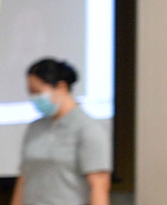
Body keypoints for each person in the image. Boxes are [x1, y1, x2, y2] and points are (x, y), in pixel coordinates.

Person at [11, 58, 112, 205]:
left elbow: (99, 185)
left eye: (38, 92)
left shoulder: (88, 129)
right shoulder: (35, 128)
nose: (34, 98)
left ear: (62, 87)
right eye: (30, 92)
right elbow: (24, 178)